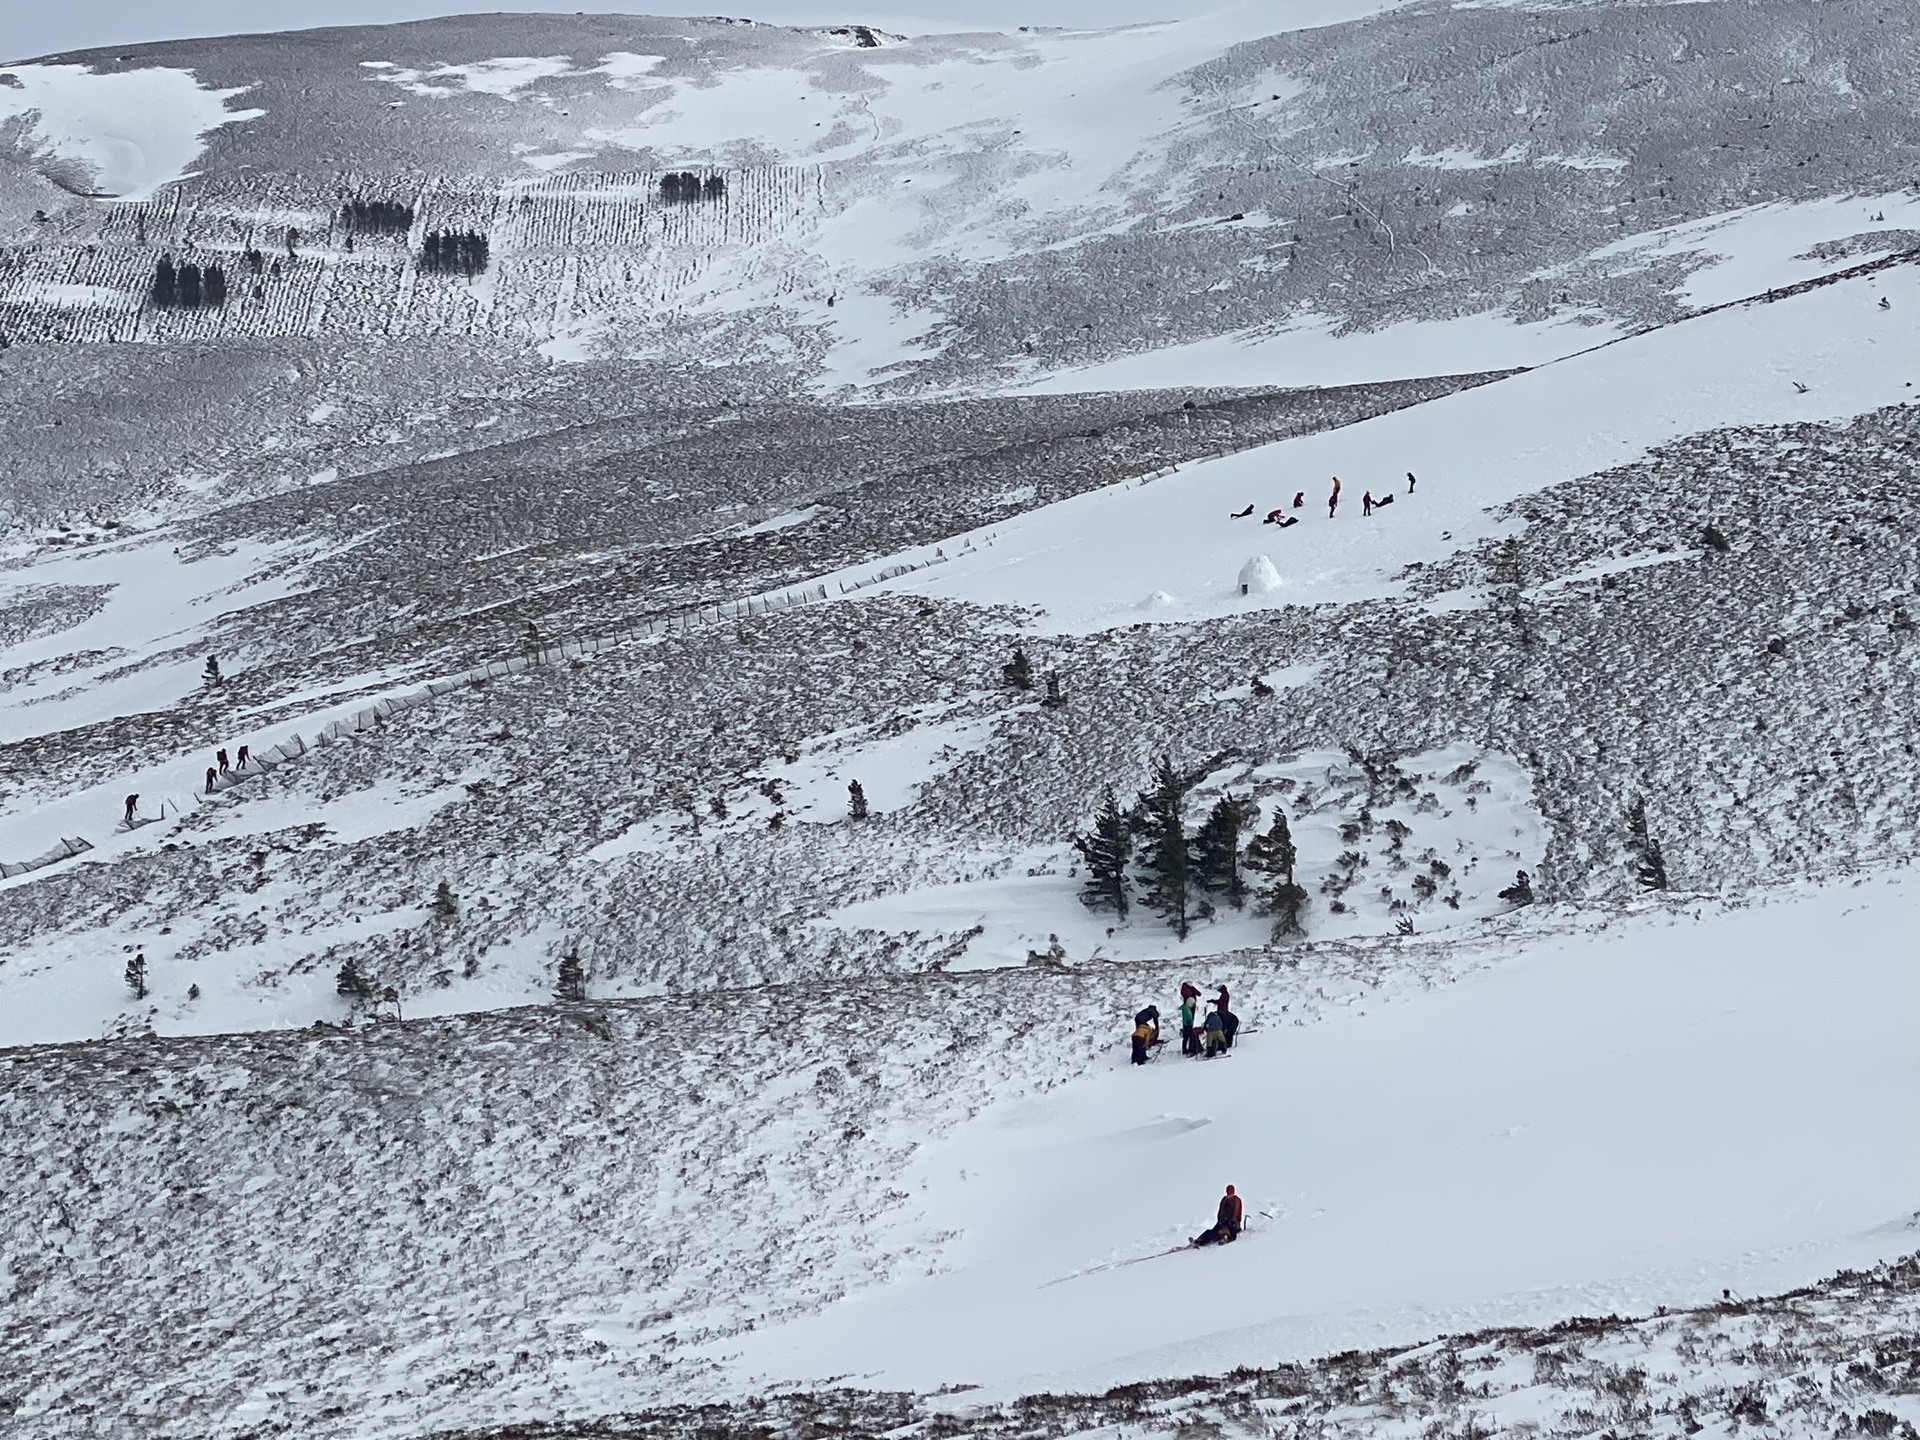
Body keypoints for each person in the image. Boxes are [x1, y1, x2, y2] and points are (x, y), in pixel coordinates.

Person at [1178, 983, 1201, 1056]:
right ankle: (1191, 1049)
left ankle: (1185, 1049)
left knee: (1186, 1036)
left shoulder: (1189, 989)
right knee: (1190, 1035)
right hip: (1188, 1023)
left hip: (1186, 1021)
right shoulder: (1187, 1009)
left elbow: (1199, 993)